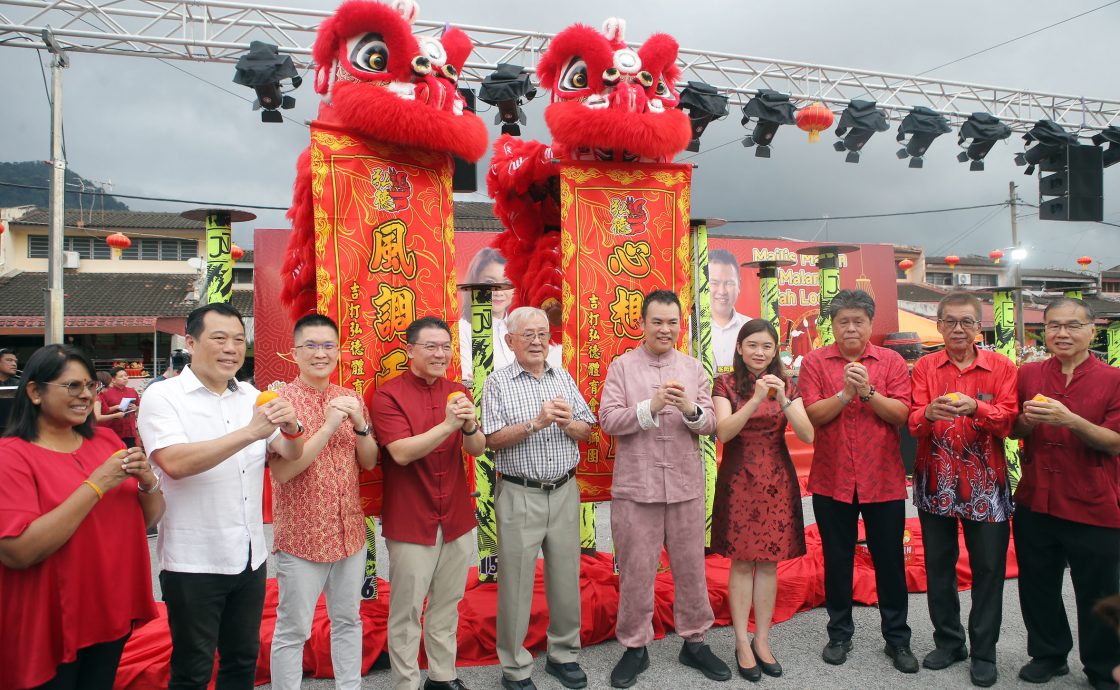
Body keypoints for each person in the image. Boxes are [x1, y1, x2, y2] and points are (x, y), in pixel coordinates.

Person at [137, 303, 306, 690]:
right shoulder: (163, 397)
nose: (231, 348)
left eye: (238, 340)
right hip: (193, 562)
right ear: (191, 343)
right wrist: (250, 432)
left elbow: (290, 452)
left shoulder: (251, 394)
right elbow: (175, 462)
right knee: (193, 669)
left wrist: (293, 426)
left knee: (242, 660)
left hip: (249, 557)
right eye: (219, 338)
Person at [0, 344, 163, 690]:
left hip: (109, 607)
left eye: (91, 386)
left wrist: (149, 482)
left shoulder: (106, 442)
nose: (86, 395)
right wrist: (97, 484)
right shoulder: (11, 458)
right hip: (49, 620)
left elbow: (148, 518)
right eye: (72, 386)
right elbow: (17, 552)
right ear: (34, 392)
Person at [599, 289, 732, 688]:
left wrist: (690, 410)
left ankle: (694, 641)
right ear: (641, 324)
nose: (665, 329)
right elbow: (608, 420)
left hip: (684, 485)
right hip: (636, 487)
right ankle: (635, 647)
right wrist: (651, 407)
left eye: (672, 322)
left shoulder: (693, 367)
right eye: (657, 321)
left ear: (680, 325)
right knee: (637, 570)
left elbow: (710, 423)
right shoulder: (621, 367)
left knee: (692, 568)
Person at [798, 289, 917, 674]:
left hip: (882, 479)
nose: (850, 328)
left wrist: (866, 392)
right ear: (831, 326)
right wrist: (845, 393)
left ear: (870, 324)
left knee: (889, 562)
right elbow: (814, 415)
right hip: (832, 480)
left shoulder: (892, 361)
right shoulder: (815, 361)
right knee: (837, 560)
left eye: (858, 321)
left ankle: (897, 639)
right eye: (843, 321)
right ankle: (839, 634)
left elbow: (901, 414)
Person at [482, 307, 596, 690]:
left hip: (564, 490)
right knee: (516, 583)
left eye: (542, 333)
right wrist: (537, 422)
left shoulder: (561, 376)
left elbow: (587, 431)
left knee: (565, 577)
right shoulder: (497, 383)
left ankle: (563, 655)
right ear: (510, 340)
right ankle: (514, 667)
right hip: (519, 491)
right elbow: (489, 440)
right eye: (527, 334)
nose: (536, 341)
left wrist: (567, 423)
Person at [907, 292, 1018, 687]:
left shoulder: (1002, 367)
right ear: (938, 324)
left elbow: (1009, 422)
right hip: (935, 480)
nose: (958, 329)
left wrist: (978, 408)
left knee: (988, 569)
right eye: (950, 321)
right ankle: (949, 641)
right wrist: (928, 413)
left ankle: (984, 652)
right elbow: (913, 421)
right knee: (939, 565)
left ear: (979, 326)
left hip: (986, 483)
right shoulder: (924, 367)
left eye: (967, 322)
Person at [370, 316, 486, 690]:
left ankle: (442, 676)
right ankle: (405, 682)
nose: (440, 354)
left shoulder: (457, 391)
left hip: (455, 514)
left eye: (446, 347)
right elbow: (401, 453)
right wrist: (451, 425)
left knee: (447, 604)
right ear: (410, 351)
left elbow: (477, 448)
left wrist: (468, 426)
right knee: (407, 610)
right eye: (431, 347)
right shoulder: (387, 395)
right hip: (411, 518)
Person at [1011, 297, 1120, 689]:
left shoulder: (1113, 379)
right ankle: (1049, 654)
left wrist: (1070, 420)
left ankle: (1104, 665)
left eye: (1073, 325)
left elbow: (1114, 442)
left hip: (1093, 501)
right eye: (1054, 326)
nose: (1062, 333)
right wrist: (1024, 420)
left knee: (1099, 590)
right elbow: (1014, 430)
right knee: (1037, 584)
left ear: (1093, 330)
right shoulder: (1029, 374)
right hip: (1036, 497)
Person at [268, 314, 379, 690]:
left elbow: (367, 462)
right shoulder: (280, 401)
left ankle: (350, 686)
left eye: (328, 346)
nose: (321, 354)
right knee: (292, 628)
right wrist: (330, 425)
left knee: (348, 620)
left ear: (339, 352)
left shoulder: (349, 396)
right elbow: (284, 472)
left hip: (349, 530)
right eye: (311, 346)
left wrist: (360, 425)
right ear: (294, 353)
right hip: (302, 537)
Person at [711, 319, 814, 681]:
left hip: (776, 478)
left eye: (767, 347)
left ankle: (763, 639)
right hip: (739, 480)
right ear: (739, 348)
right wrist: (755, 398)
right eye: (752, 345)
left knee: (770, 564)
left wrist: (783, 398)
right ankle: (741, 642)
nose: (759, 352)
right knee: (741, 562)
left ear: (775, 352)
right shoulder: (725, 383)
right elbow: (723, 432)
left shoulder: (787, 384)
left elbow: (807, 432)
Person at [458, 247, 560, 383]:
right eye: (489, 282)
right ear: (475, 282)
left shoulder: (525, 324)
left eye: (506, 283)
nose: (498, 291)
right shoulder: (463, 329)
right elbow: (468, 379)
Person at [708, 249, 751, 372]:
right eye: (714, 283)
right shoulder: (689, 329)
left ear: (739, 286)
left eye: (729, 283)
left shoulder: (751, 327)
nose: (722, 291)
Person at [95, 366, 141, 447]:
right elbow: (101, 413)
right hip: (112, 431)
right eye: (121, 376)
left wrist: (135, 408)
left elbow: (139, 407)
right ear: (113, 379)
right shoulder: (103, 394)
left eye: (126, 375)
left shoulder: (132, 391)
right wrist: (116, 410)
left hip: (130, 431)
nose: (125, 378)